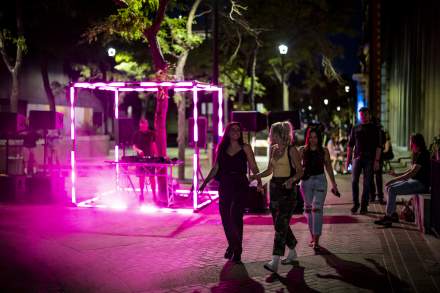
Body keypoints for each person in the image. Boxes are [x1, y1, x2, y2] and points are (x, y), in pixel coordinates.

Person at [199, 122, 262, 263]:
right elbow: (216, 168)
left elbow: (253, 165)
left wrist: (259, 181)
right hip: (225, 184)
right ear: (227, 132)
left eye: (238, 130)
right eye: (233, 130)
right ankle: (233, 245)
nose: (236, 132)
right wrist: (205, 182)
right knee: (225, 217)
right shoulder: (221, 148)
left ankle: (237, 250)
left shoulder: (245, 147)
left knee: (235, 215)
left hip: (240, 184)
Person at [250, 121, 303, 275]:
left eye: (271, 132)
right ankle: (292, 250)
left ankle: (275, 261)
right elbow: (269, 170)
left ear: (279, 134)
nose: (269, 135)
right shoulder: (273, 149)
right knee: (279, 224)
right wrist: (255, 176)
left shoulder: (291, 150)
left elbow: (300, 171)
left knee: (280, 225)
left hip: (288, 191)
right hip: (274, 190)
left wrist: (291, 181)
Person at [375, 133, 431, 227]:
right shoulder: (416, 154)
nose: (409, 144)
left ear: (415, 143)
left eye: (411, 141)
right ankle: (392, 214)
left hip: (421, 184)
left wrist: (394, 180)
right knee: (388, 188)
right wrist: (397, 174)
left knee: (392, 189)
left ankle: (389, 217)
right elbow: (410, 170)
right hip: (414, 181)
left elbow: (411, 174)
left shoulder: (424, 154)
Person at [300, 127, 339, 250]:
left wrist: (334, 184)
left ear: (319, 138)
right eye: (310, 137)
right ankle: (313, 236)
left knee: (317, 209)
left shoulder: (324, 151)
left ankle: (316, 240)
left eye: (315, 137)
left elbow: (328, 167)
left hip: (320, 180)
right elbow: (297, 167)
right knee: (308, 210)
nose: (313, 140)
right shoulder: (302, 150)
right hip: (306, 182)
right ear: (308, 138)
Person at [346, 107, 382, 214]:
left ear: (369, 115)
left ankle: (364, 205)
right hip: (357, 157)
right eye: (361, 115)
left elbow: (379, 146)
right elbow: (350, 145)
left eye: (365, 115)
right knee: (354, 181)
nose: (363, 117)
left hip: (370, 159)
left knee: (366, 183)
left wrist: (376, 161)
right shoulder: (355, 128)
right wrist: (348, 160)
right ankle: (355, 203)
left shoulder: (375, 128)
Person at [132, 118, 157, 203]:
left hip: (150, 158)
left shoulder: (151, 134)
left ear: (147, 125)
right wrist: (139, 151)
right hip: (140, 159)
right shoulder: (136, 134)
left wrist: (156, 155)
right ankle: (141, 194)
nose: (143, 127)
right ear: (140, 125)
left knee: (152, 177)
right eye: (142, 126)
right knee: (141, 177)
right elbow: (134, 146)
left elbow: (154, 145)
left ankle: (154, 195)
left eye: (145, 125)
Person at [370, 118, 386, 204]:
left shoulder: (371, 132)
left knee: (371, 177)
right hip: (379, 156)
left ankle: (372, 196)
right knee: (378, 177)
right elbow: (383, 144)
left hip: (372, 156)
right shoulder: (381, 132)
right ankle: (380, 197)